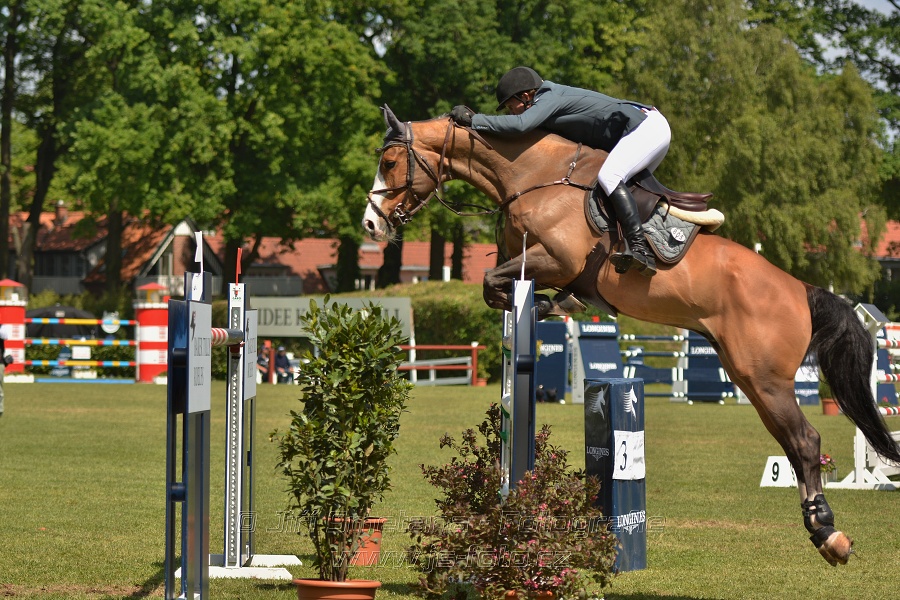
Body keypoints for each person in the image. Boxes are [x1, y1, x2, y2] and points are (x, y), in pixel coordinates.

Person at [448, 66, 671, 277]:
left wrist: (474, 120)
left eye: (510, 106)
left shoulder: (549, 96)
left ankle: (640, 249)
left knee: (609, 176)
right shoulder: (545, 102)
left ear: (526, 96)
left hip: (646, 128)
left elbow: (520, 126)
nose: (511, 112)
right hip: (639, 131)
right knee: (604, 193)